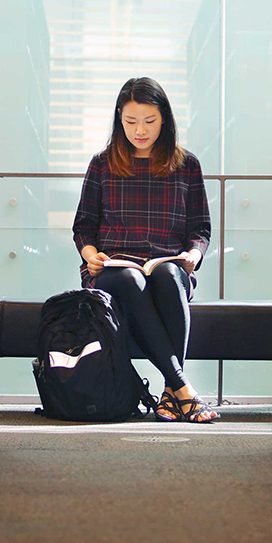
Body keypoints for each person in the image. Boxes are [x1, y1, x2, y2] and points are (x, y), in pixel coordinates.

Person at [72, 77, 219, 423]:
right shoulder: (102, 163)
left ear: (164, 119)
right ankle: (182, 388)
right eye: (130, 121)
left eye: (149, 122)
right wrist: (91, 255)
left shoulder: (187, 165)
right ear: (118, 119)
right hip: (113, 270)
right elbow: (83, 227)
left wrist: (192, 257)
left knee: (168, 275)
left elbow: (200, 229)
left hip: (166, 264)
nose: (139, 131)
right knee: (129, 279)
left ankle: (171, 395)